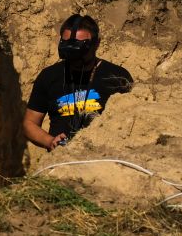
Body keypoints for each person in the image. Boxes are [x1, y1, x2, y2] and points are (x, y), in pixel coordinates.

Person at [23, 14, 133, 151]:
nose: (75, 58)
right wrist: (50, 141)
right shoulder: (49, 76)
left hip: (104, 158)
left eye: (80, 50)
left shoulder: (118, 77)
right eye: (70, 51)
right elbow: (29, 123)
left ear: (97, 44)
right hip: (60, 159)